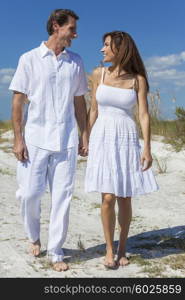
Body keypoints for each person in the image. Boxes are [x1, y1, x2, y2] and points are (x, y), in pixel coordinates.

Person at [9, 9, 88, 272]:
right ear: (56, 26)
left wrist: (84, 133)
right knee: (29, 194)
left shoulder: (75, 61)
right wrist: (18, 138)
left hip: (66, 138)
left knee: (62, 197)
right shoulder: (29, 59)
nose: (75, 34)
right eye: (71, 29)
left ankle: (55, 251)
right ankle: (33, 236)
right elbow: (18, 102)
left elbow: (79, 102)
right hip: (35, 139)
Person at [85, 31, 159, 269]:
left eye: (106, 45)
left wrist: (146, 147)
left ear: (120, 49)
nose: (102, 50)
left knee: (125, 197)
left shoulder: (138, 80)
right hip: (103, 136)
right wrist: (85, 136)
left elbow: (144, 115)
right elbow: (94, 109)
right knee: (107, 197)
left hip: (127, 137)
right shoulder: (99, 74)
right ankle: (109, 248)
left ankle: (123, 247)